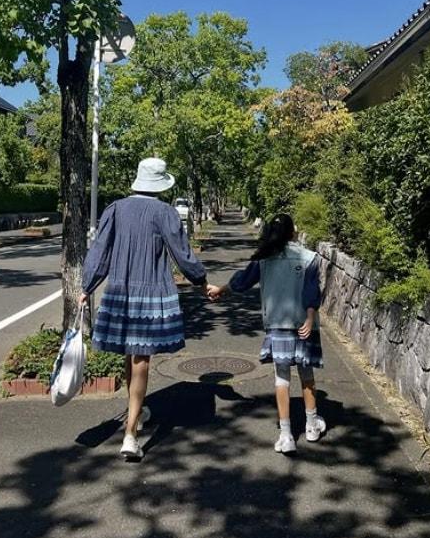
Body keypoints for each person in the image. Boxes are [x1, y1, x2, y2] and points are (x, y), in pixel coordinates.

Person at [80, 157, 208, 460]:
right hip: (150, 293)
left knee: (130, 354)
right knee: (142, 359)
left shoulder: (115, 209)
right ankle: (131, 434)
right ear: (161, 185)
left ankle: (135, 414)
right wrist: (202, 282)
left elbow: (100, 251)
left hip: (120, 290)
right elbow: (182, 253)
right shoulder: (165, 213)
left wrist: (88, 286)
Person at [207, 214, 326, 454]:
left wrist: (220, 289)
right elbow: (312, 290)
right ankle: (312, 425)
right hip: (303, 323)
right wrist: (310, 317)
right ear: (292, 232)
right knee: (307, 375)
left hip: (277, 324)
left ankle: (286, 435)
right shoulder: (309, 258)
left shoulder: (264, 259)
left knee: (281, 379)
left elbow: (242, 281)